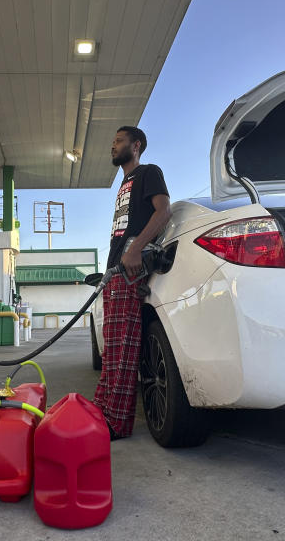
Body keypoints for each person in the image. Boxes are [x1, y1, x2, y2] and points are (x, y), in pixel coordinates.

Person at [93, 125, 171, 440]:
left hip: (129, 268)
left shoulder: (148, 172)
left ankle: (116, 422)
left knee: (124, 347)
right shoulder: (124, 183)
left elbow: (163, 211)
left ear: (135, 145)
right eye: (112, 141)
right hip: (115, 269)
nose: (113, 146)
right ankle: (101, 410)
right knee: (111, 348)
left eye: (119, 141)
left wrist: (136, 248)